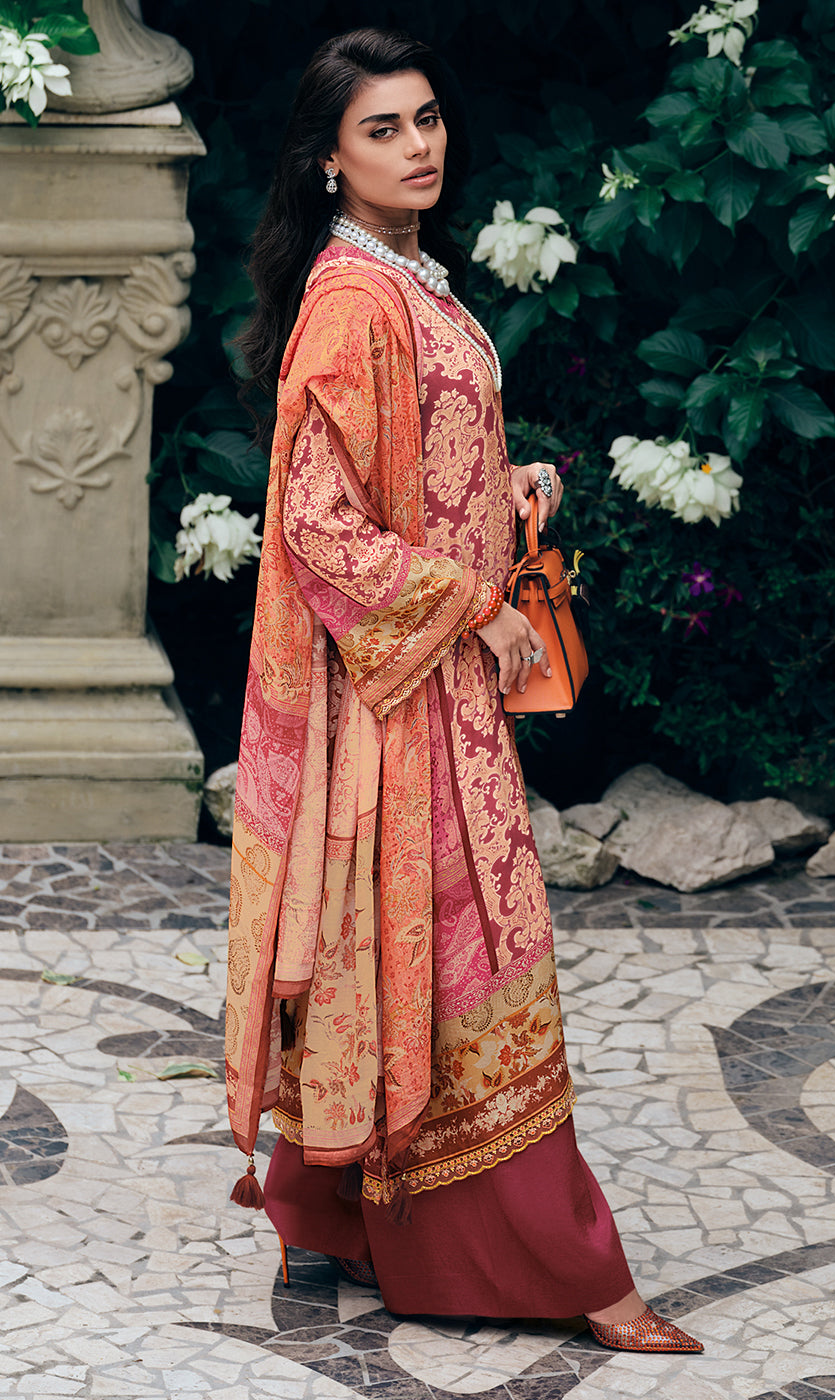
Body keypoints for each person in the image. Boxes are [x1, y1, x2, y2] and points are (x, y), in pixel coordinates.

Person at [224, 25, 702, 1355]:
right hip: (407, 703)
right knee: (477, 958)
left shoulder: (408, 277)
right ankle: (572, 1272)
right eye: (382, 129)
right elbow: (320, 527)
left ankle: (361, 1217)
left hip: (438, 694)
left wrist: (503, 499)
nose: (418, 145)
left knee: (419, 967)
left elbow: (402, 491)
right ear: (328, 159)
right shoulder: (351, 302)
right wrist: (473, 605)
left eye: (427, 119)